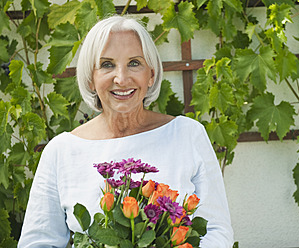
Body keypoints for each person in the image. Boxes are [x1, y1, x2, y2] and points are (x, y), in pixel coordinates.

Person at [18, 16, 234, 247]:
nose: (121, 79)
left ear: (151, 75)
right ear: (91, 78)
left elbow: (216, 231)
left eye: (134, 63)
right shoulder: (61, 151)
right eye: (107, 65)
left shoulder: (188, 135)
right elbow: (38, 242)